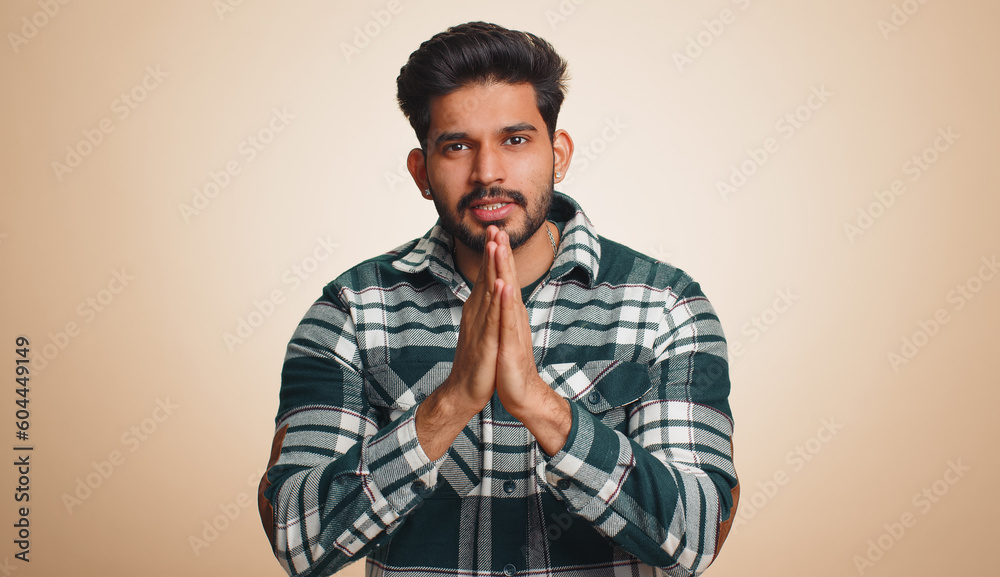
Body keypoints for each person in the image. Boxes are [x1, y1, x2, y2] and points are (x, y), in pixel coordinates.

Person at [258, 21, 739, 577]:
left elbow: (697, 538)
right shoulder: (351, 311)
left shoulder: (665, 308)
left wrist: (540, 405)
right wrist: (450, 403)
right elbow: (299, 542)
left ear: (558, 154)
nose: (488, 173)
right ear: (421, 172)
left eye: (515, 140)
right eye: (457, 146)